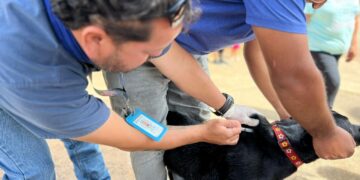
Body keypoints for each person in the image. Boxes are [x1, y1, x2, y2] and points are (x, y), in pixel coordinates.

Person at [104, 0, 356, 179]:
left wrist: (284, 109)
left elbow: (258, 54)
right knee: (150, 139)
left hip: (189, 52)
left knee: (198, 135)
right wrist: (325, 133)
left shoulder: (292, 6)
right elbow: (292, 73)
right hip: (138, 51)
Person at [0, 0, 244, 179]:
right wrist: (202, 133)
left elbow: (174, 62)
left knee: (78, 136)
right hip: (14, 73)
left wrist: (225, 106)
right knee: (32, 171)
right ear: (95, 39)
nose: (157, 56)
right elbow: (133, 137)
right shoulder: (43, 80)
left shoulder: (126, 16)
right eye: (148, 52)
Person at [304, 0, 360, 108]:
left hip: (338, 50)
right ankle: (326, 115)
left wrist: (354, 44)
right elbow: (304, 20)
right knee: (332, 81)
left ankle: (315, 114)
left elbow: (356, 19)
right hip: (316, 47)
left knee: (320, 84)